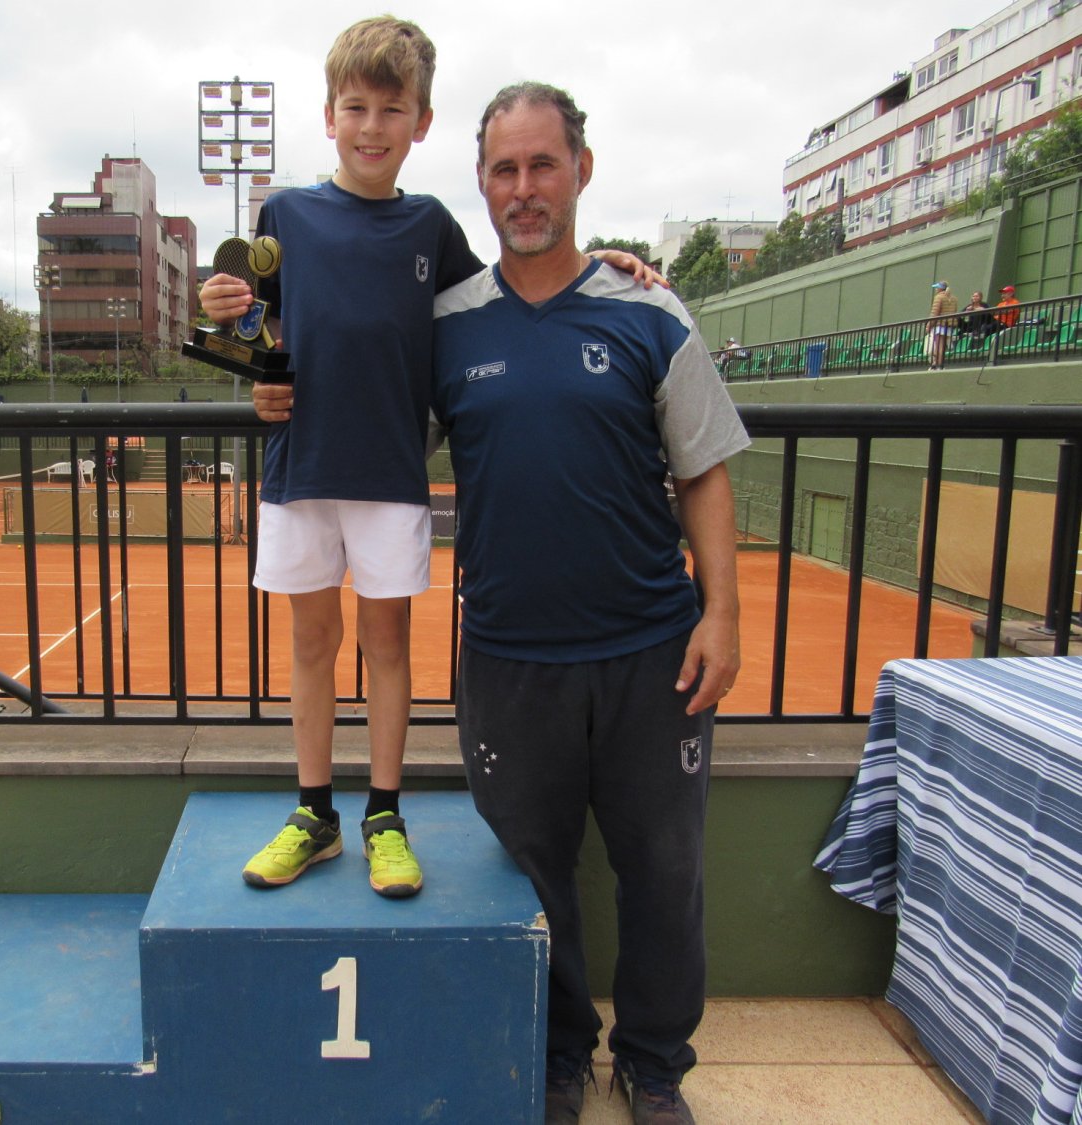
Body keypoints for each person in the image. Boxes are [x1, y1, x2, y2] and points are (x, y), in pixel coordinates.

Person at [206, 17, 658, 900]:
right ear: (329, 116)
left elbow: (507, 286)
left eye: (392, 110)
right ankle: (313, 814)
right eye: (355, 108)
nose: (372, 127)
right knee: (310, 642)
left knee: (385, 645)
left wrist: (596, 262)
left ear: (421, 122)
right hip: (300, 470)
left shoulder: (431, 226)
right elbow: (255, 329)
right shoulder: (283, 214)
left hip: (390, 475)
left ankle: (383, 816)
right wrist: (244, 358)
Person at [428, 83, 749, 1125]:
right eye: (504, 169)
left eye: (543, 165)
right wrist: (267, 373)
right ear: (482, 183)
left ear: (582, 170)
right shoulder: (445, 327)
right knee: (534, 876)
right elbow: (353, 405)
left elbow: (703, 468)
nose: (524, 188)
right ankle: (559, 1052)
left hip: (654, 653)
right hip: (510, 659)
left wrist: (722, 613)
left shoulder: (650, 311)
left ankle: (653, 1064)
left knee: (664, 872)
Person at [928, 280, 959, 369]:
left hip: (939, 324)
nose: (936, 289)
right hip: (949, 324)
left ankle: (938, 364)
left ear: (940, 289)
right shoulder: (954, 298)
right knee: (942, 345)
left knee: (938, 345)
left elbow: (935, 312)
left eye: (937, 288)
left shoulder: (938, 297)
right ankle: (938, 363)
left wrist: (929, 325)